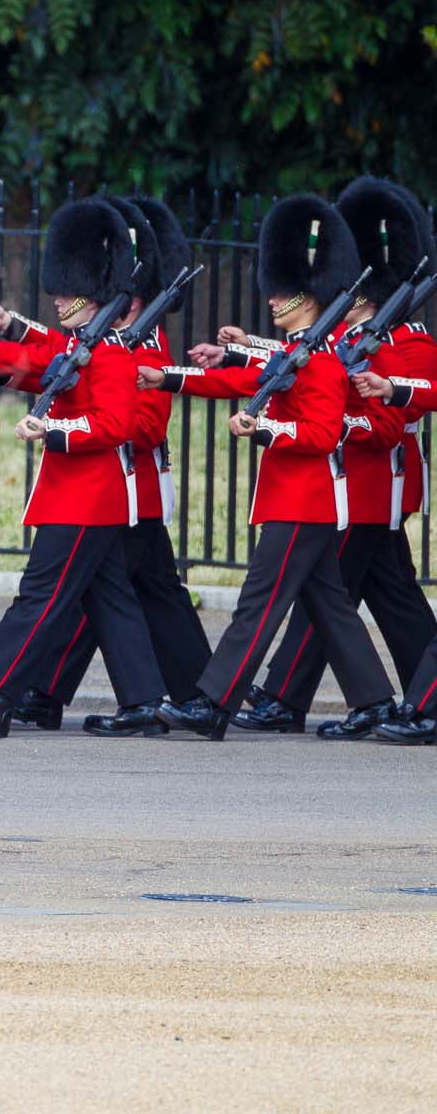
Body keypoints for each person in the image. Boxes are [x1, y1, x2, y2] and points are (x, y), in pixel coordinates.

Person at [147, 195, 397, 738]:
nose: (273, 298)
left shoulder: (325, 362)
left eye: (282, 292)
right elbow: (236, 379)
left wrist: (263, 429)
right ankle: (374, 701)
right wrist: (166, 378)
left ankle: (213, 703)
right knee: (331, 606)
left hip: (302, 504)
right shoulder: (294, 352)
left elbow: (322, 435)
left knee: (255, 607)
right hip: (294, 500)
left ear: (305, 298)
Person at [0, 197, 212, 735]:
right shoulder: (91, 342)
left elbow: (127, 425)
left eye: (70, 291)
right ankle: (143, 701)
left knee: (46, 596)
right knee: (111, 597)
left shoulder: (126, 348)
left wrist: (53, 428)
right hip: (92, 492)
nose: (59, 299)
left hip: (102, 490)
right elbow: (55, 356)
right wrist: (2, 338)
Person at [240, 178, 437, 739]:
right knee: (375, 597)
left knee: (326, 589)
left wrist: (328, 420)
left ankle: (291, 695)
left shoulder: (409, 343)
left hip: (375, 483)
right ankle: (403, 697)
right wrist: (243, 348)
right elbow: (313, 364)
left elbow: (389, 419)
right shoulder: (355, 332)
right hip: (349, 481)